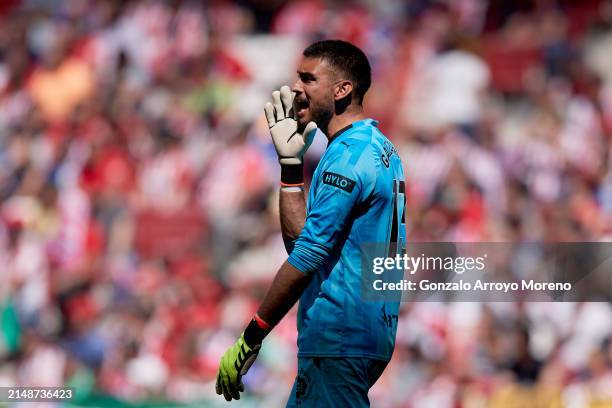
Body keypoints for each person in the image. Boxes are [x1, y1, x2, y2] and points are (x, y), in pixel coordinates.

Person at [216, 39, 406, 407]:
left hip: (339, 333)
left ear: (342, 89)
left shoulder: (348, 158)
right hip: (361, 333)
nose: (296, 90)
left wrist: (251, 336)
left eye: (308, 79)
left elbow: (305, 257)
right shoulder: (377, 147)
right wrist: (291, 166)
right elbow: (306, 241)